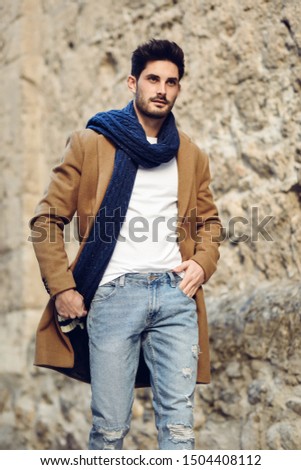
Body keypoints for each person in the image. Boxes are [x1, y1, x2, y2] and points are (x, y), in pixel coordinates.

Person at [30, 39, 221, 450]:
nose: (161, 89)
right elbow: (46, 220)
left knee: (180, 431)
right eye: (153, 79)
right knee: (111, 430)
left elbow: (210, 223)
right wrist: (62, 287)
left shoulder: (190, 155)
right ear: (132, 82)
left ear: (179, 89)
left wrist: (202, 264)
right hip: (114, 295)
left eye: (171, 82)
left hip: (175, 296)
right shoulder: (91, 142)